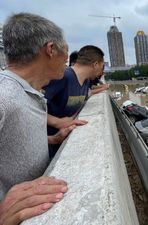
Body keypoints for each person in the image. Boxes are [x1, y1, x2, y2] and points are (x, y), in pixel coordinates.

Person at [0, 13, 75, 225]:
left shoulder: (27, 92)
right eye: (66, 54)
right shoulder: (4, 95)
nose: (67, 63)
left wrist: (52, 139)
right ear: (51, 50)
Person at [44, 45, 109, 157]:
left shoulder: (85, 82)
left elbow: (86, 95)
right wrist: (58, 122)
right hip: (46, 145)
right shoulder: (63, 76)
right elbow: (31, 107)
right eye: (101, 66)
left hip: (62, 142)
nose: (100, 72)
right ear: (95, 65)